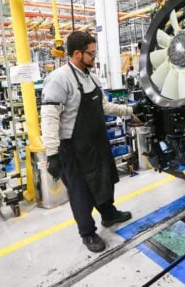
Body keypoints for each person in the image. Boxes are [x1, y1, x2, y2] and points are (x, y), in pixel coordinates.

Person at [41, 31, 141, 253]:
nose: (94, 57)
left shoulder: (91, 77)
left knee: (104, 180)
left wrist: (130, 110)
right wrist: (52, 153)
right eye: (91, 53)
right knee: (81, 193)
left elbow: (104, 107)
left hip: (96, 142)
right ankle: (87, 233)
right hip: (73, 148)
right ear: (77, 54)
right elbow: (49, 118)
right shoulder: (59, 79)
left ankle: (109, 214)